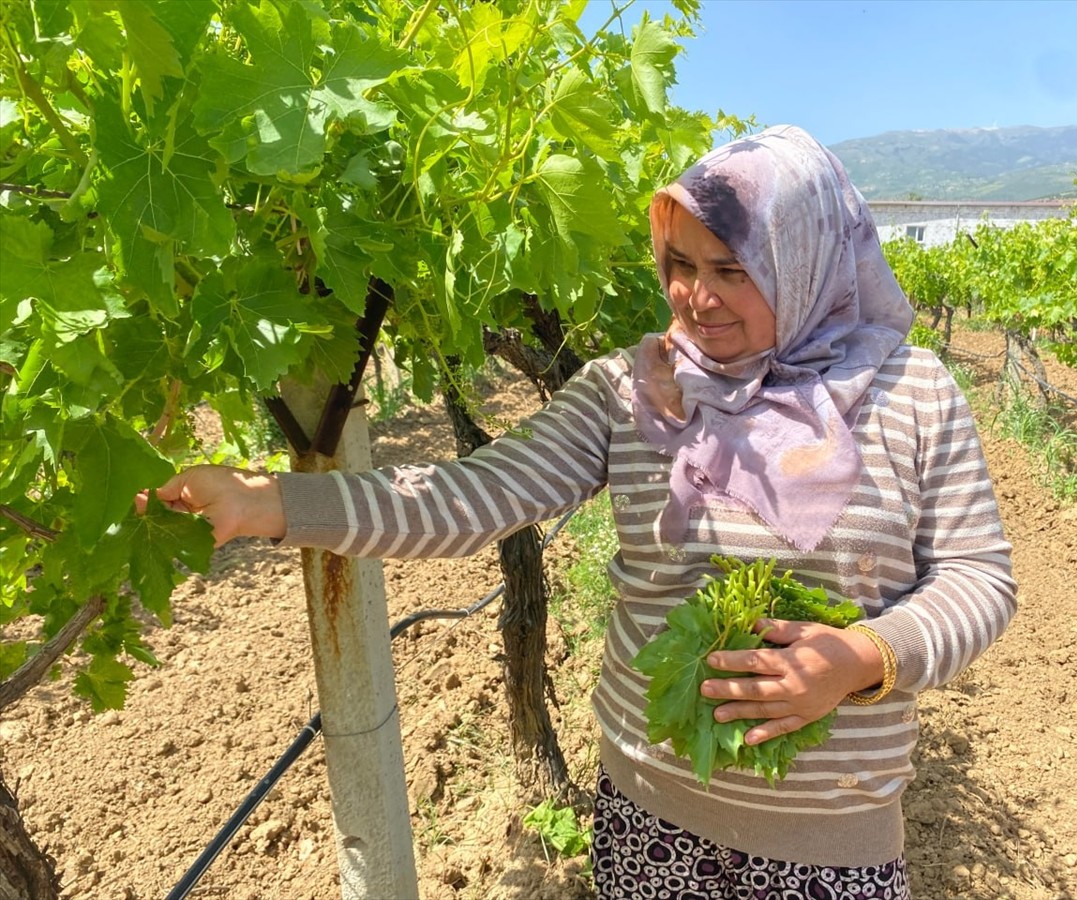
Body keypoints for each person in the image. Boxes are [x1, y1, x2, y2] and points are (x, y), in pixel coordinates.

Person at [144, 125, 1016, 900]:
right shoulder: (630, 391)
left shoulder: (913, 395)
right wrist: (268, 502)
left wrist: (866, 656)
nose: (695, 299)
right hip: (648, 823)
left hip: (830, 851)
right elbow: (469, 498)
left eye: (732, 270)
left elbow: (979, 578)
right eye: (679, 266)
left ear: (807, 258)